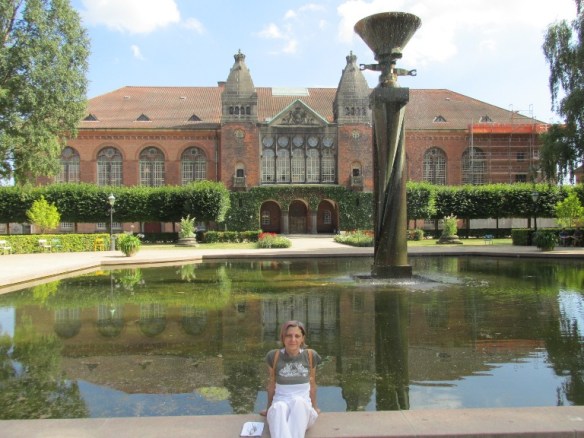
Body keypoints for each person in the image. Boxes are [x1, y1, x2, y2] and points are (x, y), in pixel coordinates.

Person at [260, 320, 321, 438]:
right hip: (280, 410)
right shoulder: (273, 356)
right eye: (289, 335)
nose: (293, 340)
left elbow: (312, 384)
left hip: (304, 411)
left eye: (297, 336)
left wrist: (315, 408)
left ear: (302, 338)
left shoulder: (310, 355)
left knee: (299, 402)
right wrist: (268, 409)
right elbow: (271, 385)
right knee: (279, 407)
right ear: (283, 337)